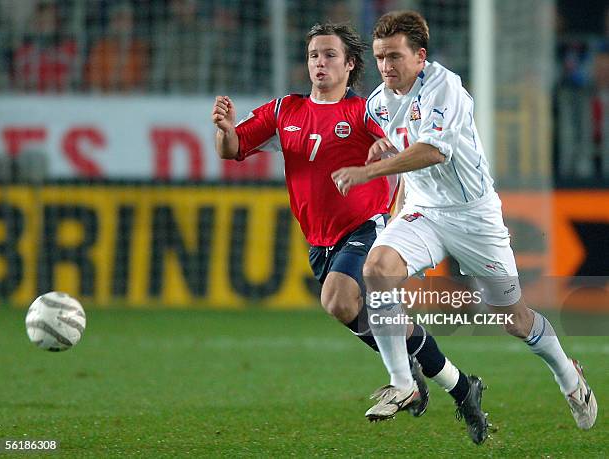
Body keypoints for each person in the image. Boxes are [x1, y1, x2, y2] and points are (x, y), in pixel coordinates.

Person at [213, 22, 487, 439]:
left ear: (350, 64)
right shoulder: (285, 109)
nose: (319, 63)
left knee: (337, 296)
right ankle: (461, 386)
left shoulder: (368, 111)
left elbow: (408, 150)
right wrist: (225, 130)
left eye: (329, 55)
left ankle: (406, 382)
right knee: (358, 313)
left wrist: (387, 157)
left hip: (366, 226)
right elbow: (232, 150)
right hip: (319, 239)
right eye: (313, 56)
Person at [332, 10, 597, 439]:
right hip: (425, 212)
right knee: (377, 269)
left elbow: (434, 152)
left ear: (420, 57)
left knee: (514, 319)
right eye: (380, 57)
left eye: (395, 56)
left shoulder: (445, 86)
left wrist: (369, 172)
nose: (386, 66)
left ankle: (568, 374)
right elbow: (403, 152)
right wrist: (387, 164)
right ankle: (403, 383)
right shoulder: (379, 102)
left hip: (474, 216)